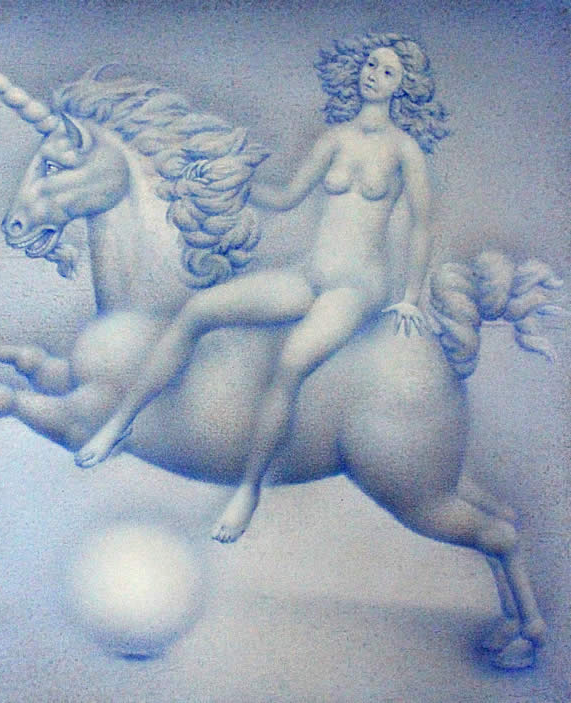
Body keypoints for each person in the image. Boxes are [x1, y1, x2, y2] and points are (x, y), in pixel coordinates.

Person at [75, 33, 449, 542]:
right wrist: (233, 183)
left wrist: (411, 295)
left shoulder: (404, 150)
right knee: (198, 310)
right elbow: (288, 196)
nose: (374, 76)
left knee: (290, 363)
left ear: (402, 86)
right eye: (370, 66)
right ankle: (120, 422)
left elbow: (424, 224)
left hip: (356, 287)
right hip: (310, 274)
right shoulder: (334, 139)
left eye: (387, 72)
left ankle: (248, 490)